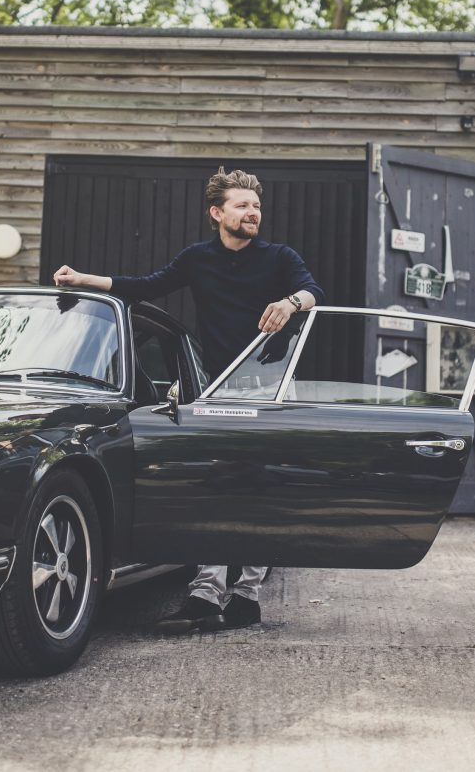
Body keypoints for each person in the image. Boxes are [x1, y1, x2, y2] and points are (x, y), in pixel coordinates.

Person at [53, 166, 324, 634]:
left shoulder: (279, 256)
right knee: (216, 485)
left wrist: (291, 303)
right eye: (242, 206)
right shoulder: (198, 259)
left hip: (270, 388)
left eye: (256, 205)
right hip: (214, 389)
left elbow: (314, 290)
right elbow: (145, 285)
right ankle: (205, 593)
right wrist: (82, 279)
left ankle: (247, 596)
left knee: (258, 489)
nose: (252, 212)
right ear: (218, 213)